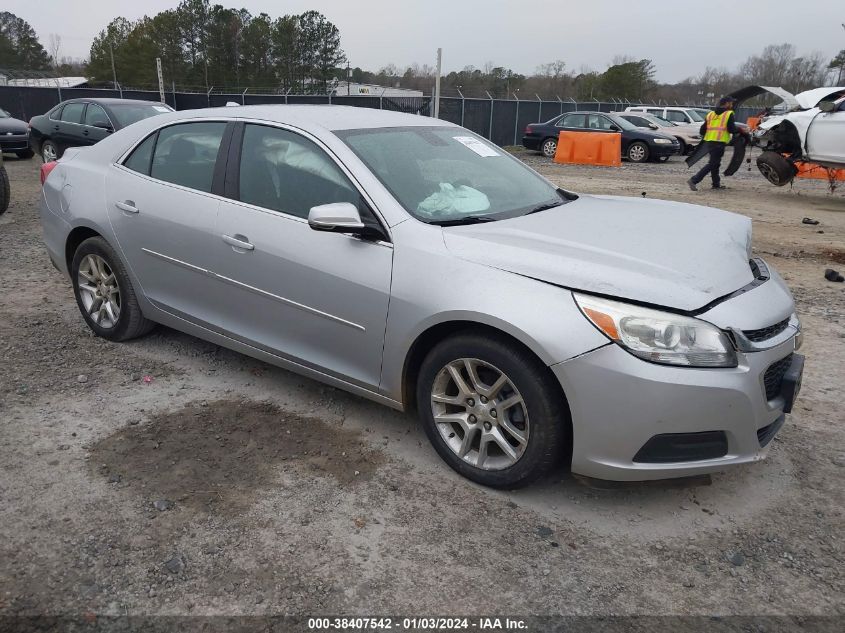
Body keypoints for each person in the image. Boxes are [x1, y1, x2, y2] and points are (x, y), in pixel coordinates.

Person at [687, 96, 747, 191]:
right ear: (727, 103)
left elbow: (702, 130)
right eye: (731, 103)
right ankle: (694, 180)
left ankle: (716, 184)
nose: (732, 104)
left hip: (710, 141)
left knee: (715, 163)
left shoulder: (710, 114)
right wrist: (741, 130)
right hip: (719, 143)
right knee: (713, 164)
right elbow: (731, 129)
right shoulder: (728, 114)